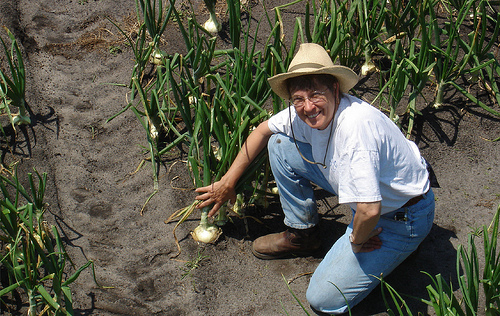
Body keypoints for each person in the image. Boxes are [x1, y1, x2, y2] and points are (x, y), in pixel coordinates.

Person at [195, 43, 435, 314]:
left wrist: (357, 240)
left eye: (315, 95)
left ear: (335, 89)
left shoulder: (355, 129)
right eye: (298, 98)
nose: (307, 107)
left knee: (323, 298)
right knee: (280, 145)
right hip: (368, 195)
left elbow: (369, 210)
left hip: (399, 217)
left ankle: (402, 247)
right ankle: (302, 233)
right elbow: (262, 131)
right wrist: (228, 182)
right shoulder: (304, 113)